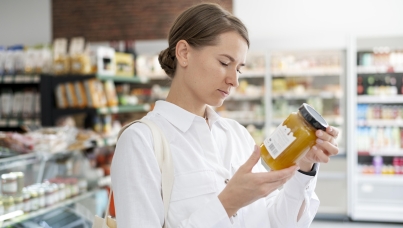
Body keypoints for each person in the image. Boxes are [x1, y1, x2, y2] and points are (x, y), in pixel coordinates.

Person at [111, 3, 339, 227]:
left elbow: (279, 222)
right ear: (184, 53)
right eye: (224, 62)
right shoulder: (141, 142)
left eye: (239, 68)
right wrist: (227, 204)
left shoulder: (237, 135)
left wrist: (304, 167)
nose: (235, 80)